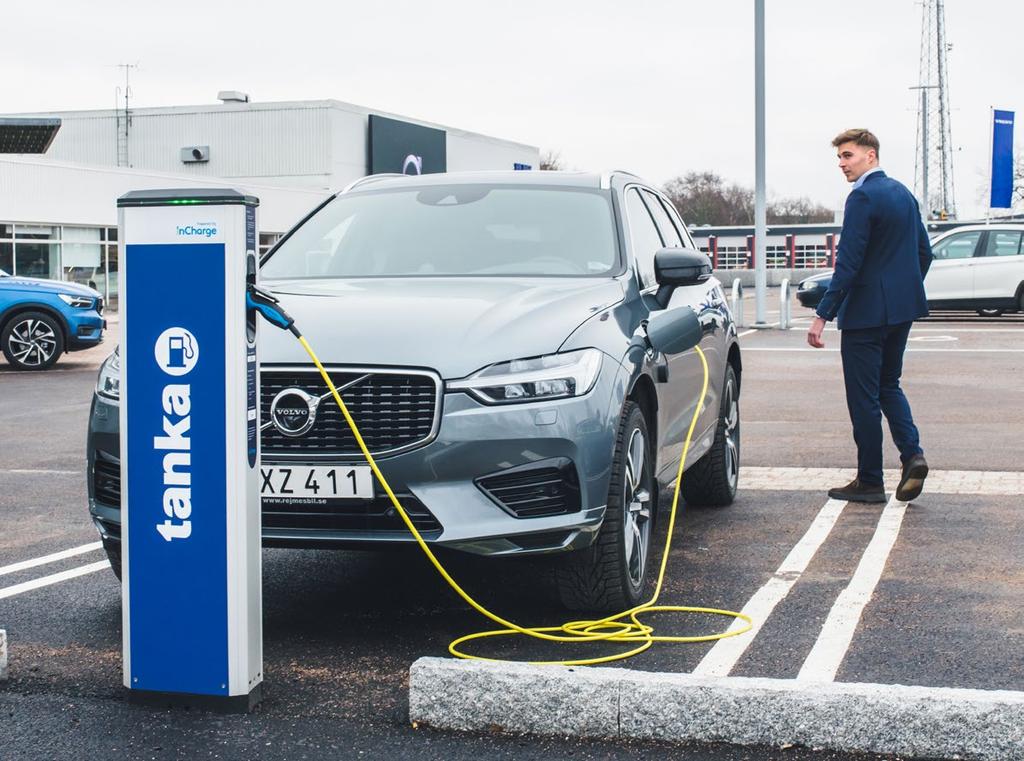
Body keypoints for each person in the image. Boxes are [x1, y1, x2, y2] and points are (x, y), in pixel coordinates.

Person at [806, 128, 933, 503]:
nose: (842, 164)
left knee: (863, 397)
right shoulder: (903, 194)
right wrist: (900, 290)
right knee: (888, 385)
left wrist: (822, 315)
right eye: (840, 158)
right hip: (902, 311)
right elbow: (924, 254)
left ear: (870, 156)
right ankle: (912, 455)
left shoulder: (862, 197)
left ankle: (870, 480)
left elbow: (848, 263)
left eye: (848, 156)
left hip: (865, 315)